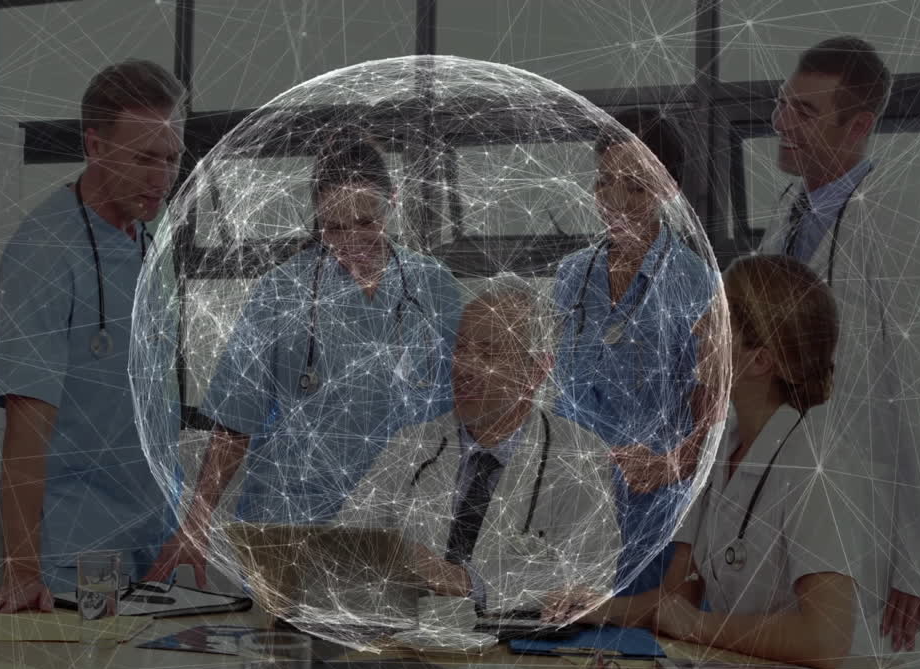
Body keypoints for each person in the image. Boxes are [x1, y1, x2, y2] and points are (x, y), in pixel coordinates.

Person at [758, 36, 920, 652]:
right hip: (784, 499)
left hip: (860, 520)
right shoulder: (788, 213)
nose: (781, 123)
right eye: (782, 103)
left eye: (804, 112)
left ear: (859, 126)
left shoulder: (902, 232)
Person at [171, 136, 462, 563]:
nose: (352, 242)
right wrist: (196, 523)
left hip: (400, 521)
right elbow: (236, 418)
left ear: (392, 202)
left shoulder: (434, 287)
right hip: (290, 519)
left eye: (366, 222)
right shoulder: (281, 291)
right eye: (335, 228)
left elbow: (465, 407)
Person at [0, 60, 188, 612]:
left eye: (171, 158)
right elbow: (26, 428)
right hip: (82, 548)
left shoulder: (148, 241)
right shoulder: (45, 251)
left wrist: (186, 522)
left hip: (157, 538)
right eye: (144, 158)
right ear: (95, 146)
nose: (161, 177)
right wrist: (23, 571)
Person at [602, 255, 878, 669]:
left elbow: (825, 639)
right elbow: (676, 600)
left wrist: (699, 626)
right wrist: (590, 609)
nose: (698, 328)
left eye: (716, 319)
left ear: (760, 360)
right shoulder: (722, 448)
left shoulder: (817, 464)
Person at [339, 276, 621, 620]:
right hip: (405, 635)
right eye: (461, 349)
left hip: (513, 646)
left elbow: (590, 578)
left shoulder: (579, 454)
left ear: (536, 371)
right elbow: (344, 545)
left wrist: (468, 582)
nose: (464, 366)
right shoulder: (412, 444)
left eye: (488, 353)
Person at [552, 108, 725, 599]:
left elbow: (713, 411)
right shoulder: (571, 276)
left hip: (652, 508)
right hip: (571, 500)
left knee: (636, 631)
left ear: (668, 191)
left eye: (635, 187)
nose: (615, 201)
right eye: (605, 183)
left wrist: (672, 464)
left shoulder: (698, 285)